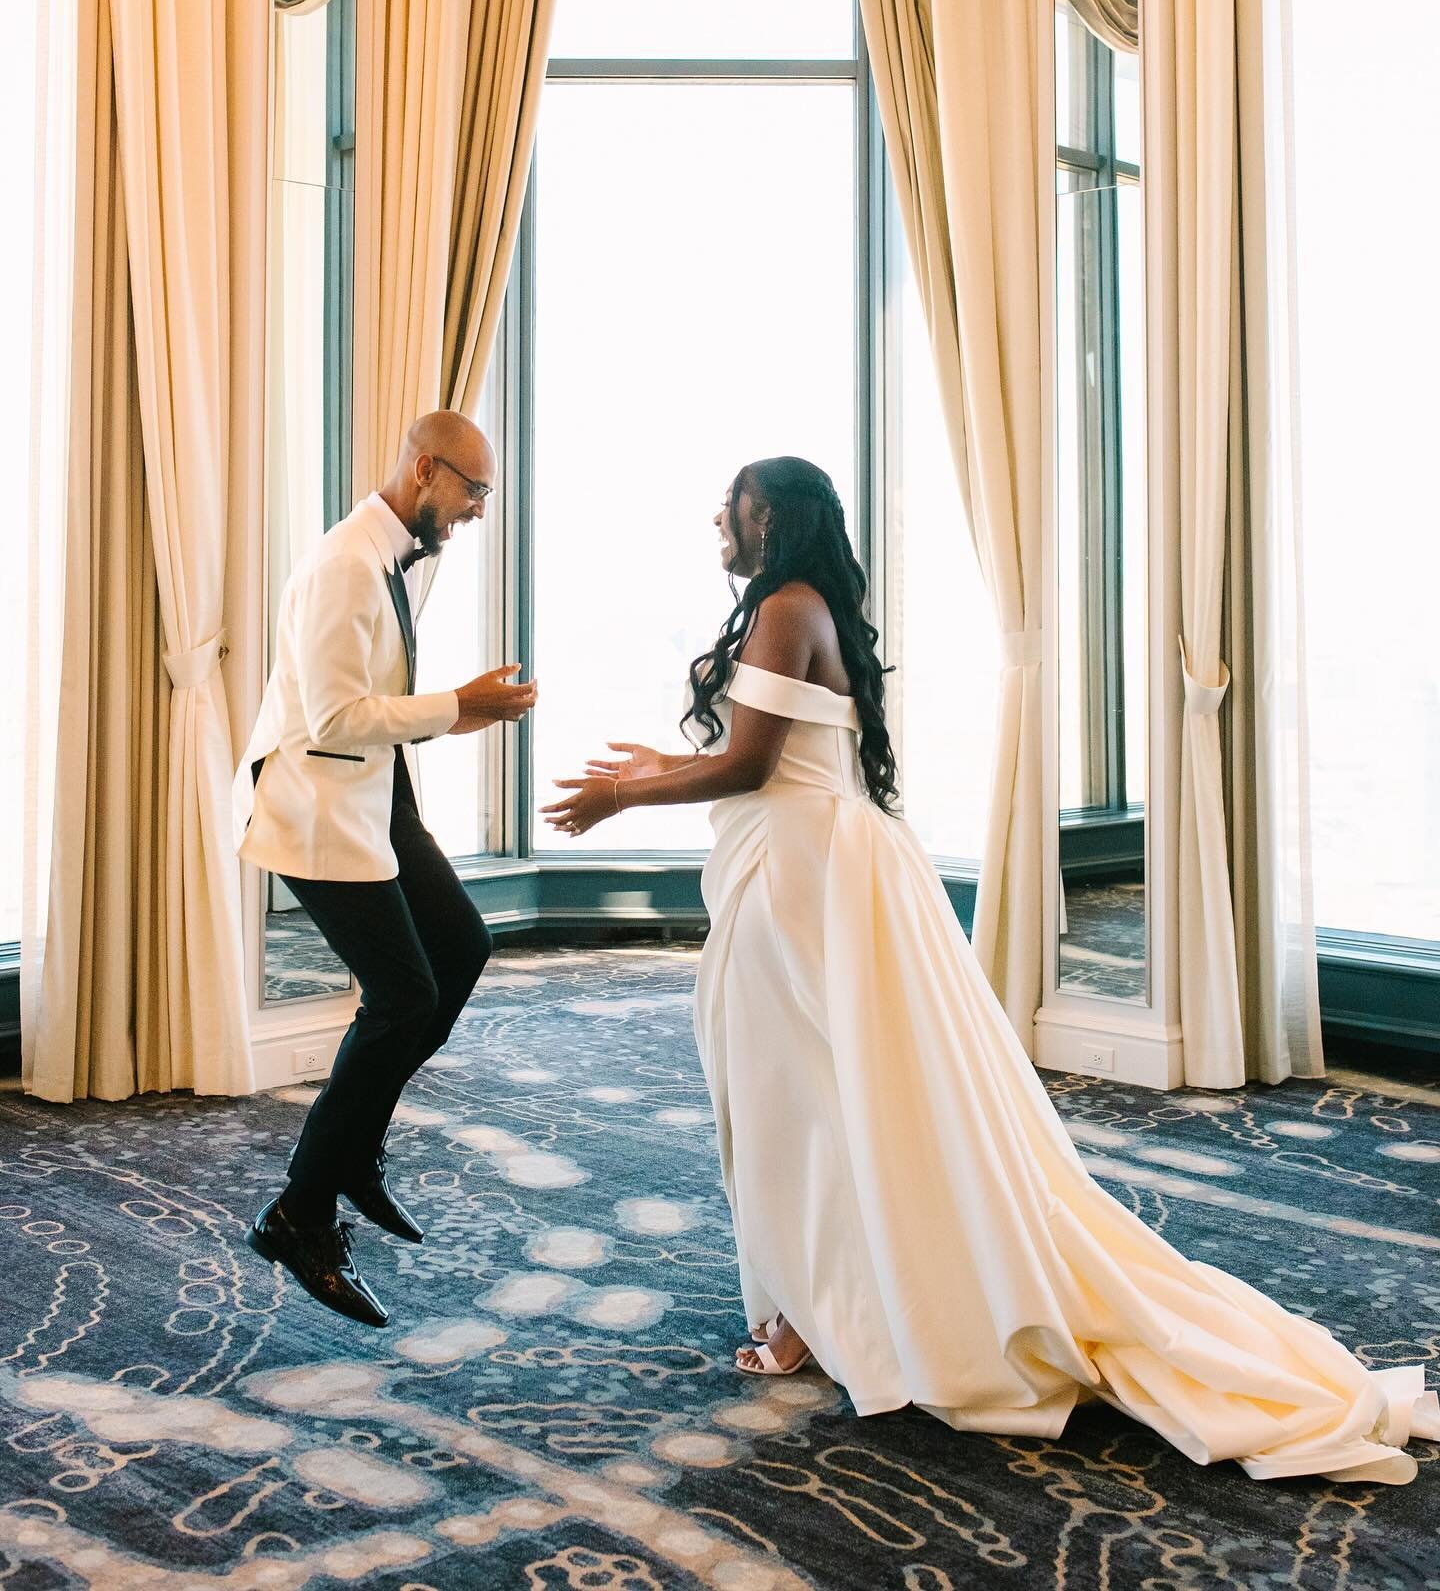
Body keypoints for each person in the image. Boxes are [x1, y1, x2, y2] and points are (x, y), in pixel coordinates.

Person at [543, 454, 1438, 1484]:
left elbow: (751, 764)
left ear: (774, 521)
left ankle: (806, 1312)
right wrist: (657, 768)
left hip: (808, 885)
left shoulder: (787, 605)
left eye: (734, 506)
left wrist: (626, 797)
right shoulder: (794, 605)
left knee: (801, 1097)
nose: (719, 518)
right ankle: (815, 1300)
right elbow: (778, 754)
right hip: (809, 871)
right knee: (816, 1096)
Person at [235, 409, 537, 1327]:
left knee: (464, 949)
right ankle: (302, 1210)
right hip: (318, 807)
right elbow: (327, 719)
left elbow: (372, 702)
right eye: (474, 490)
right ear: (423, 471)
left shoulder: (397, 553)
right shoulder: (342, 565)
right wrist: (455, 703)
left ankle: (353, 1148)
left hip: (378, 797)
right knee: (403, 997)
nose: (481, 509)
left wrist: (461, 712)